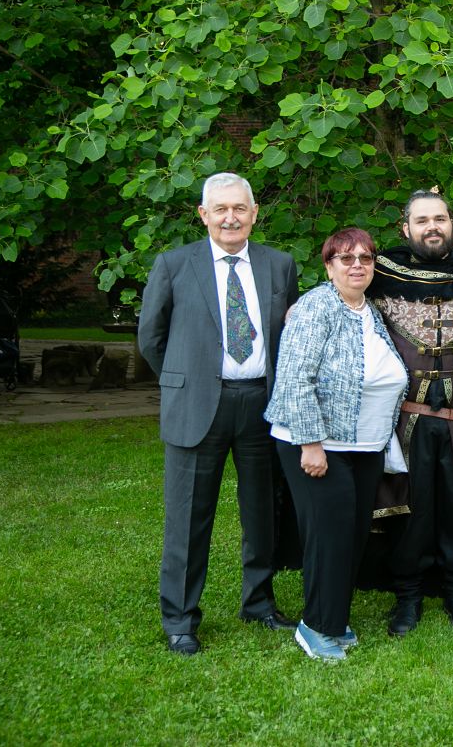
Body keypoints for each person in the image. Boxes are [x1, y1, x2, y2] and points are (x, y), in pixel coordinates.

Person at [138, 172, 299, 656]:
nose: (231, 218)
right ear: (203, 214)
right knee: (188, 517)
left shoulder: (280, 265)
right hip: (196, 405)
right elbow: (151, 338)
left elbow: (289, 335)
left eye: (240, 208)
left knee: (262, 511)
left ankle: (259, 602)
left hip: (261, 404)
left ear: (254, 214)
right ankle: (180, 619)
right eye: (221, 209)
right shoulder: (174, 265)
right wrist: (185, 379)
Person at [265, 228, 408, 661]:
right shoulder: (316, 307)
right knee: (330, 536)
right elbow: (295, 379)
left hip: (364, 446)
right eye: (346, 258)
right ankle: (316, 627)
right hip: (317, 444)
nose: (357, 265)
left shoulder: (368, 310)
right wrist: (310, 444)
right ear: (328, 266)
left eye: (365, 258)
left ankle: (333, 617)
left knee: (351, 536)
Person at [363, 190, 453, 637]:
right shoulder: (381, 273)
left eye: (439, 219)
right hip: (405, 417)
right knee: (410, 504)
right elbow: (345, 298)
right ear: (406, 228)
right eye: (422, 220)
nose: (432, 227)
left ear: (452, 225)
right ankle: (408, 595)